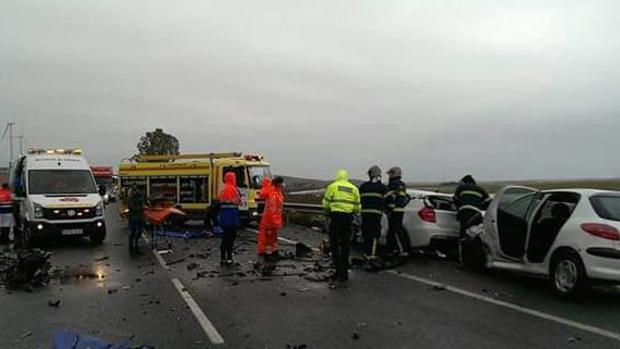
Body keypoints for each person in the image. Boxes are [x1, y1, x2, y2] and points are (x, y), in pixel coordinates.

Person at [322, 170, 361, 288]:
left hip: (336, 217)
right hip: (348, 219)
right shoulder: (353, 188)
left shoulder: (332, 186)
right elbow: (358, 207)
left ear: (337, 177)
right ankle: (344, 273)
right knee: (345, 245)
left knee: (334, 244)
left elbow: (326, 203)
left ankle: (337, 270)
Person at [453, 175, 491, 266]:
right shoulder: (481, 190)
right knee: (474, 234)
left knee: (463, 235)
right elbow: (489, 203)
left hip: (464, 213)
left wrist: (459, 210)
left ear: (465, 182)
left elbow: (455, 200)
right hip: (476, 215)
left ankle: (462, 259)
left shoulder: (461, 188)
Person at [359, 165, 388, 261]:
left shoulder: (363, 187)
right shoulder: (383, 187)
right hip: (376, 214)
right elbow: (388, 201)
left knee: (366, 233)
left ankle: (365, 252)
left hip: (364, 214)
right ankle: (371, 255)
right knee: (374, 234)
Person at [385, 167, 411, 258]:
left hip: (393, 210)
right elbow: (407, 197)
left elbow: (388, 197)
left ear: (394, 174)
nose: (389, 176)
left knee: (395, 231)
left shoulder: (392, 184)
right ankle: (391, 250)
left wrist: (388, 207)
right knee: (394, 231)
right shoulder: (402, 184)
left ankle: (401, 251)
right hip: (400, 210)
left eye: (390, 174)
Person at [258, 177, 285, 261]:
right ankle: (269, 254)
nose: (284, 184)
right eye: (282, 183)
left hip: (272, 220)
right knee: (269, 238)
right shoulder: (273, 194)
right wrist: (275, 221)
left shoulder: (278, 192)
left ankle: (273, 252)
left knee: (273, 238)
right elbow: (272, 209)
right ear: (278, 183)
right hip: (270, 221)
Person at [219, 172, 242, 265]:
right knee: (231, 238)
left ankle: (223, 257)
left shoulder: (223, 188)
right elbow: (238, 201)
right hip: (232, 216)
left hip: (224, 216)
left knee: (225, 237)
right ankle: (229, 257)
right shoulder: (233, 188)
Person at [127, 185, 146, 254]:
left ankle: (136, 247)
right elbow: (132, 208)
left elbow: (142, 203)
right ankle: (132, 248)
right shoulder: (131, 198)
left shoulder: (139, 197)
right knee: (133, 233)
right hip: (133, 218)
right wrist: (142, 208)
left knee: (139, 232)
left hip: (139, 218)